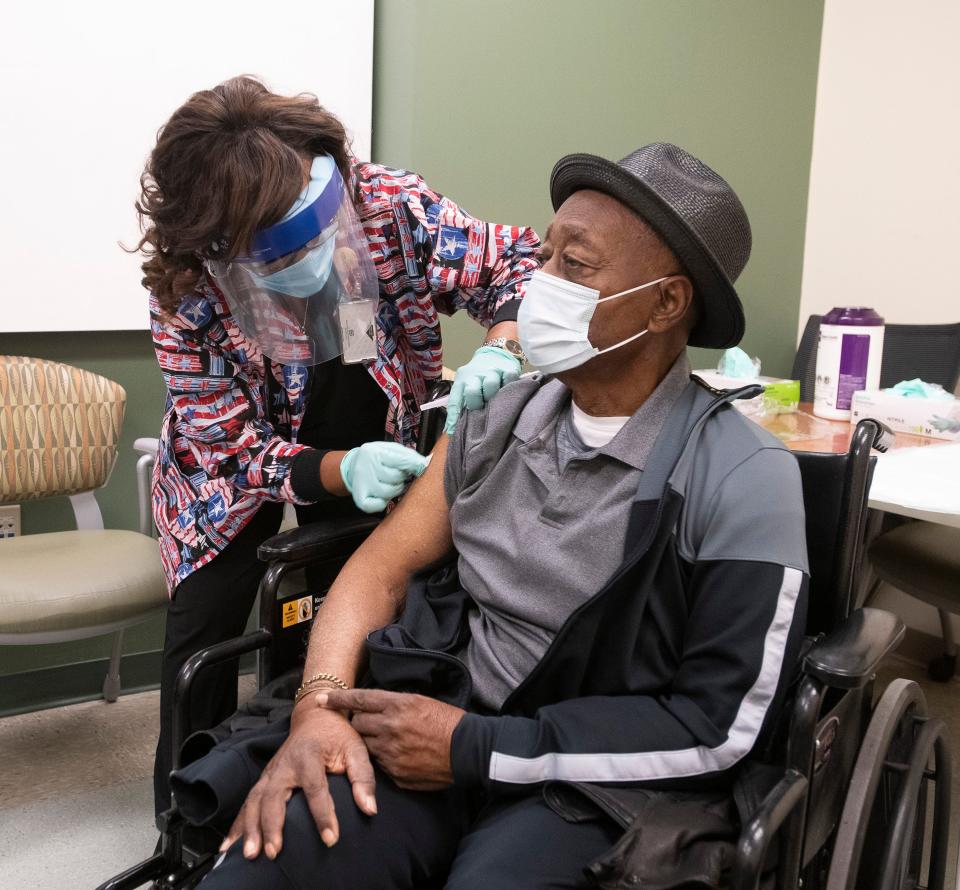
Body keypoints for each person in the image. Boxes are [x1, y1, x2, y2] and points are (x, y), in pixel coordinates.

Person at [177, 143, 810, 888]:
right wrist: (317, 711)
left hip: (584, 780)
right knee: (267, 863)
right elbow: (379, 568)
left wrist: (479, 747)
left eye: (574, 267)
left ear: (666, 303)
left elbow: (720, 727)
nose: (538, 286)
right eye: (542, 256)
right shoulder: (498, 418)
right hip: (431, 722)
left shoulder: (743, 478)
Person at [141, 75, 539, 816]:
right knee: (204, 620)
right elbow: (229, 446)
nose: (318, 254)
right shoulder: (186, 297)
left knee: (329, 610)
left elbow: (514, 263)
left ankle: (307, 779)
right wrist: (334, 471)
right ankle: (186, 809)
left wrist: (504, 347)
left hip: (359, 408)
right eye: (284, 249)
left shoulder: (388, 203)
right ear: (218, 247)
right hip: (224, 473)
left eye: (323, 225)